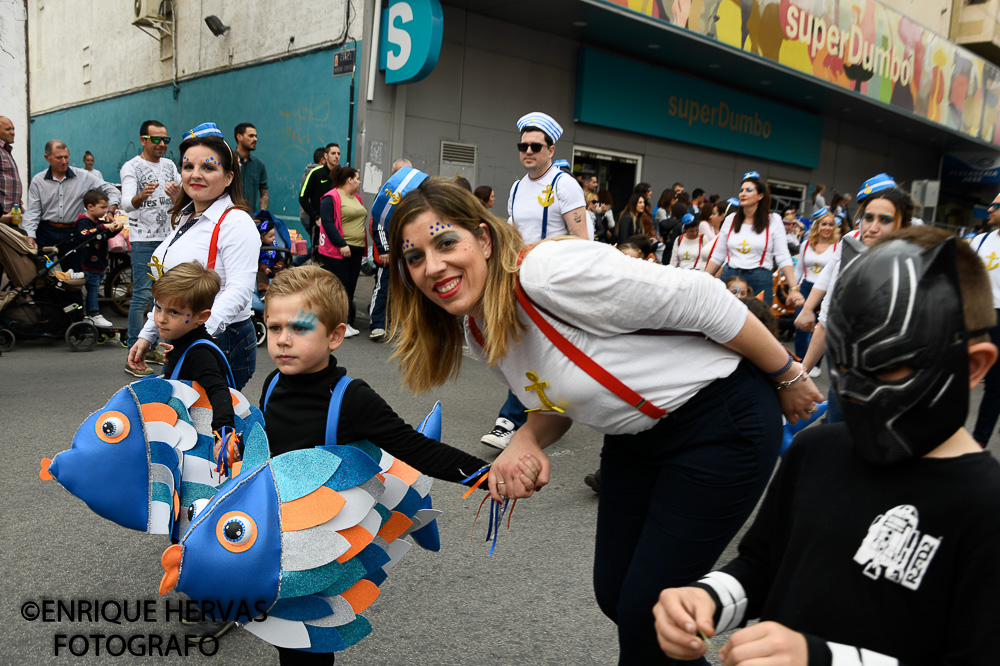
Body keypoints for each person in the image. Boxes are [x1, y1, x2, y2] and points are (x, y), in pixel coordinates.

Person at [386, 175, 822, 664]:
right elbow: (553, 404)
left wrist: (787, 375)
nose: (434, 266)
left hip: (718, 422)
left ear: (484, 239)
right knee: (617, 596)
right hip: (634, 440)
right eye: (415, 256)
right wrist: (526, 439)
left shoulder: (548, 272)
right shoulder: (477, 327)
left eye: (446, 242)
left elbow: (706, 298)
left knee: (646, 613)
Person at [653, 226, 1000, 666]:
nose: (857, 387)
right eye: (845, 360)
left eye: (886, 365)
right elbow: (762, 566)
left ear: (972, 366)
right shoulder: (815, 451)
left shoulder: (987, 508)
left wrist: (823, 660)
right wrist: (707, 599)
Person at [259, 263, 539, 664]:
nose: (283, 341)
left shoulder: (352, 398)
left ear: (335, 335)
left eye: (299, 328)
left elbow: (417, 448)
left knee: (310, 637)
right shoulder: (271, 384)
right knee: (281, 625)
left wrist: (488, 474)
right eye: (274, 328)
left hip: (326, 538)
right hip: (280, 529)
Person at [482, 111, 589, 451]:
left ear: (550, 149)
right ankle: (532, 416)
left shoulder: (564, 184)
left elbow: (582, 239)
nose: (528, 151)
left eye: (535, 146)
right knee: (520, 347)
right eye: (523, 145)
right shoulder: (516, 186)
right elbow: (513, 231)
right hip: (519, 277)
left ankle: (512, 420)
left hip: (552, 280)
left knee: (533, 349)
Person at [127, 122, 260, 390]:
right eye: (188, 167)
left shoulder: (235, 222)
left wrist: (200, 335)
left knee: (213, 423)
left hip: (220, 338)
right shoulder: (186, 218)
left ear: (229, 177)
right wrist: (148, 334)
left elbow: (240, 289)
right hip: (187, 334)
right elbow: (169, 288)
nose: (195, 175)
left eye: (208, 167)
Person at [800, 179, 914, 423]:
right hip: (846, 372)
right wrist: (801, 375)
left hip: (889, 391)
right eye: (867, 216)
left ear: (902, 225)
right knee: (837, 432)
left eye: (884, 219)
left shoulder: (914, 268)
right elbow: (827, 320)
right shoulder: (850, 246)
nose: (872, 227)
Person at [121, 119, 183, 374]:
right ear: (144, 140)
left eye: (166, 140)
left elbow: (184, 197)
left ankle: (156, 346)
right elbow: (126, 203)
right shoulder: (132, 167)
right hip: (144, 240)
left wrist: (177, 195)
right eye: (156, 139)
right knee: (143, 295)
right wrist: (141, 196)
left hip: (169, 238)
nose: (162, 144)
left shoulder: (169, 166)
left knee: (166, 296)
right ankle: (133, 352)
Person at [704, 171, 803, 308]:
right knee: (727, 325)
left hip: (760, 279)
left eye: (748, 190)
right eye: (741, 190)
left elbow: (783, 256)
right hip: (731, 277)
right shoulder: (731, 219)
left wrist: (793, 288)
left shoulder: (773, 220)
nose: (742, 194)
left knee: (758, 323)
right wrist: (703, 280)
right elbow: (718, 255)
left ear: (760, 196)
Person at [22, 140, 121, 262]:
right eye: (59, 157)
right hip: (45, 233)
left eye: (66, 157)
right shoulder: (38, 181)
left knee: (74, 275)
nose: (64, 161)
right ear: (47, 158)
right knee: (43, 273)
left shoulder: (83, 176)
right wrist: (30, 235)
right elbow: (33, 211)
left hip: (72, 233)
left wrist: (110, 211)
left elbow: (112, 190)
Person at [316, 166, 366, 338]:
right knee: (341, 288)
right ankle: (338, 324)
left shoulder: (356, 197)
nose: (359, 181)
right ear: (349, 180)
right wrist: (341, 244)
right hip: (340, 250)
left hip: (356, 249)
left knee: (350, 288)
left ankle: (347, 322)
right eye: (357, 178)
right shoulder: (331, 198)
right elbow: (328, 223)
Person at [369, 158, 412, 343]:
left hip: (407, 253)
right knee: (383, 287)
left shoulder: (412, 195)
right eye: (402, 172)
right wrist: (384, 250)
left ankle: (398, 325)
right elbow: (377, 224)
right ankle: (377, 324)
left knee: (406, 290)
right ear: (394, 174)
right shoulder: (386, 195)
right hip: (387, 254)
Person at [792, 207, 839, 377]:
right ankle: (799, 362)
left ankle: (815, 365)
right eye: (824, 224)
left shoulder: (837, 247)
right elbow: (798, 270)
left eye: (831, 224)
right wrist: (794, 289)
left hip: (825, 293)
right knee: (800, 327)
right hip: (805, 289)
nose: (827, 227)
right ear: (817, 226)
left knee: (819, 329)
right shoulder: (806, 245)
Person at [970, 190, 1000, 446]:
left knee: (995, 386)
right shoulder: (979, 242)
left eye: (996, 205)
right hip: (976, 316)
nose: (989, 209)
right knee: (958, 377)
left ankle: (978, 443)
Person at [75, 189, 124, 328]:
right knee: (93, 289)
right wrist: (103, 226)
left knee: (94, 289)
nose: (105, 211)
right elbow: (84, 234)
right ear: (90, 207)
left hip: (100, 264)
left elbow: (105, 236)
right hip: (89, 264)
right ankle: (93, 314)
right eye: (102, 207)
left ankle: (92, 314)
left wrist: (116, 228)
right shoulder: (83, 221)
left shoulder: (97, 222)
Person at [299, 142, 341, 241]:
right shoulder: (315, 173)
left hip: (338, 224)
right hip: (319, 225)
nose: (336, 156)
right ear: (325, 156)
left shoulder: (342, 175)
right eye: (333, 153)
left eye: (338, 154)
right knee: (318, 254)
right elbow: (303, 198)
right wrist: (316, 217)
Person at [233, 123, 267, 211]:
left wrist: (263, 212)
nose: (255, 139)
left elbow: (264, 193)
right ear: (239, 137)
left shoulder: (259, 164)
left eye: (256, 136)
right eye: (251, 136)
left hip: (251, 218)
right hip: (230, 217)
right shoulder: (229, 161)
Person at [0, 116, 23, 228]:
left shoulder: (5, 151)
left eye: (13, 129)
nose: (13, 132)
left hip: (11, 216)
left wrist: (20, 207)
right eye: (8, 129)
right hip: (3, 218)